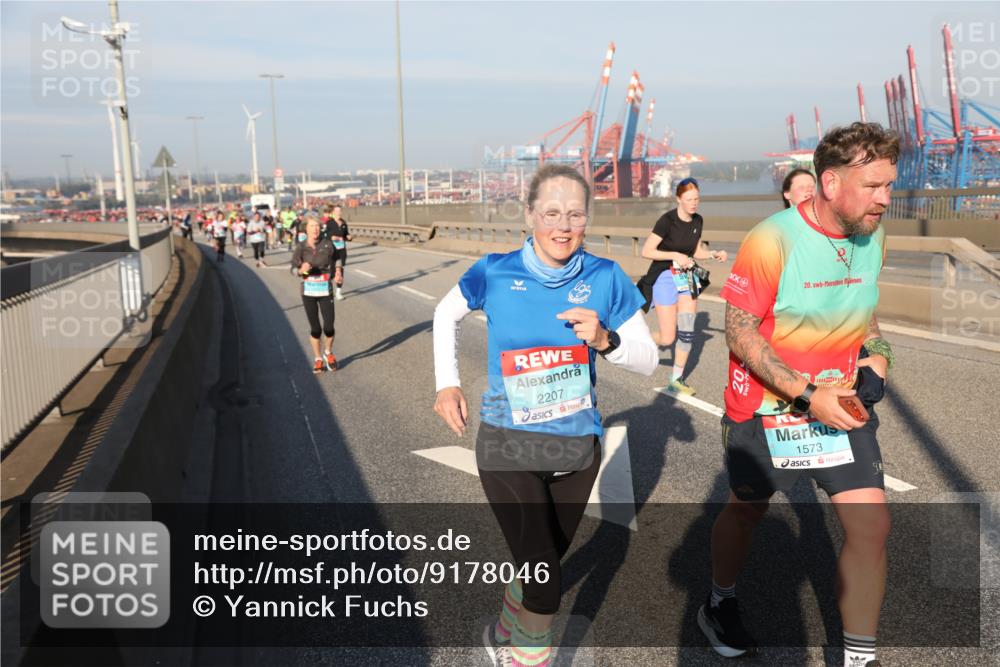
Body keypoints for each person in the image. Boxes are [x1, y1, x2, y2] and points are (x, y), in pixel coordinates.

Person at [433, 164, 657, 667]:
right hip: (507, 444)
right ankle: (522, 657)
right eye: (551, 213)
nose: (563, 226)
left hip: (578, 451)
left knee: (542, 562)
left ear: (588, 219)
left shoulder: (606, 278)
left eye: (575, 214)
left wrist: (605, 340)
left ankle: (502, 631)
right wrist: (446, 383)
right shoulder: (494, 271)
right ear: (529, 215)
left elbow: (648, 360)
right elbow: (445, 314)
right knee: (547, 588)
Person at [702, 122, 898, 667]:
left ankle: (859, 658)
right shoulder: (773, 238)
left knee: (872, 525)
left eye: (889, 185)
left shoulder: (872, 231)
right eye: (874, 186)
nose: (886, 199)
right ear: (830, 183)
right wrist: (808, 395)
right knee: (747, 512)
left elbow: (866, 310)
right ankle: (719, 601)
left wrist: (877, 353)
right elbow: (739, 332)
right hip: (769, 410)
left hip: (840, 404)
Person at [638, 178, 728, 396]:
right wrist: (675, 255)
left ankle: (676, 379)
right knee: (668, 337)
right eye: (688, 199)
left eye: (696, 199)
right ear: (678, 199)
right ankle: (641, 339)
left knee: (687, 331)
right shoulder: (666, 221)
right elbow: (647, 251)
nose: (693, 203)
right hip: (665, 276)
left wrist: (713, 254)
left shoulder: (698, 220)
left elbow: (695, 251)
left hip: (686, 276)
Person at [292, 216, 342, 373]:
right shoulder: (301, 247)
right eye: (312, 226)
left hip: (325, 290)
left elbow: (337, 258)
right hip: (308, 292)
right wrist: (300, 270)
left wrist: (339, 271)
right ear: (306, 229)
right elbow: (293, 269)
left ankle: (328, 352)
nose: (315, 229)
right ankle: (318, 358)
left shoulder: (327, 244)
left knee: (329, 327)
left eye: (317, 226)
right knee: (315, 329)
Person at [322, 204, 353, 300]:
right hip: (331, 251)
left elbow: (346, 234)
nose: (339, 213)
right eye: (337, 211)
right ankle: (327, 286)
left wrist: (348, 237)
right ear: (333, 213)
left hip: (341, 252)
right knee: (332, 273)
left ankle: (338, 292)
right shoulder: (329, 223)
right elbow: (324, 234)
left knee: (340, 271)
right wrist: (331, 237)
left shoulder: (343, 223)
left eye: (340, 211)